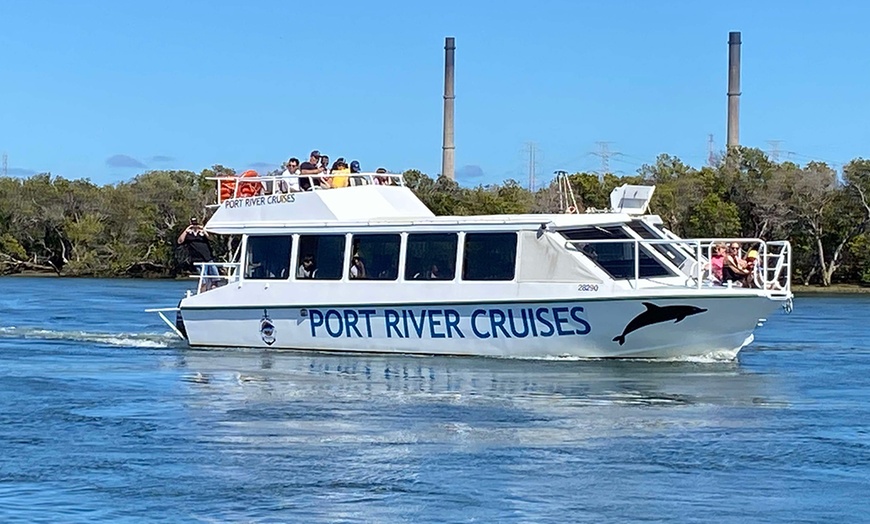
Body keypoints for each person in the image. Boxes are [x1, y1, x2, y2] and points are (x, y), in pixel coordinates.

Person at [177, 217, 218, 291]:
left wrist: (204, 230)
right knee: (203, 280)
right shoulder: (188, 235)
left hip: (208, 258)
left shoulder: (203, 234)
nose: (195, 226)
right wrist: (186, 230)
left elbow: (212, 239)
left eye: (196, 224)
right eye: (193, 224)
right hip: (197, 260)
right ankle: (202, 293)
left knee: (215, 278)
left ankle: (214, 291)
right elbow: (180, 241)